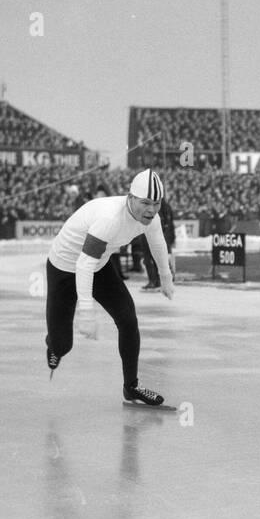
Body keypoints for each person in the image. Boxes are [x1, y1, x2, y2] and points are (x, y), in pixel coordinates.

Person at [43, 169, 174, 405]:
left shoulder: (151, 218)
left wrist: (165, 277)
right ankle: (53, 343)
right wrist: (86, 313)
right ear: (130, 198)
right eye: (145, 203)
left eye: (156, 203)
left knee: (128, 318)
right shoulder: (110, 218)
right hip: (64, 266)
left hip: (98, 265)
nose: (151, 210)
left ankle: (131, 387)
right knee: (62, 345)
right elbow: (83, 265)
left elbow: (157, 243)